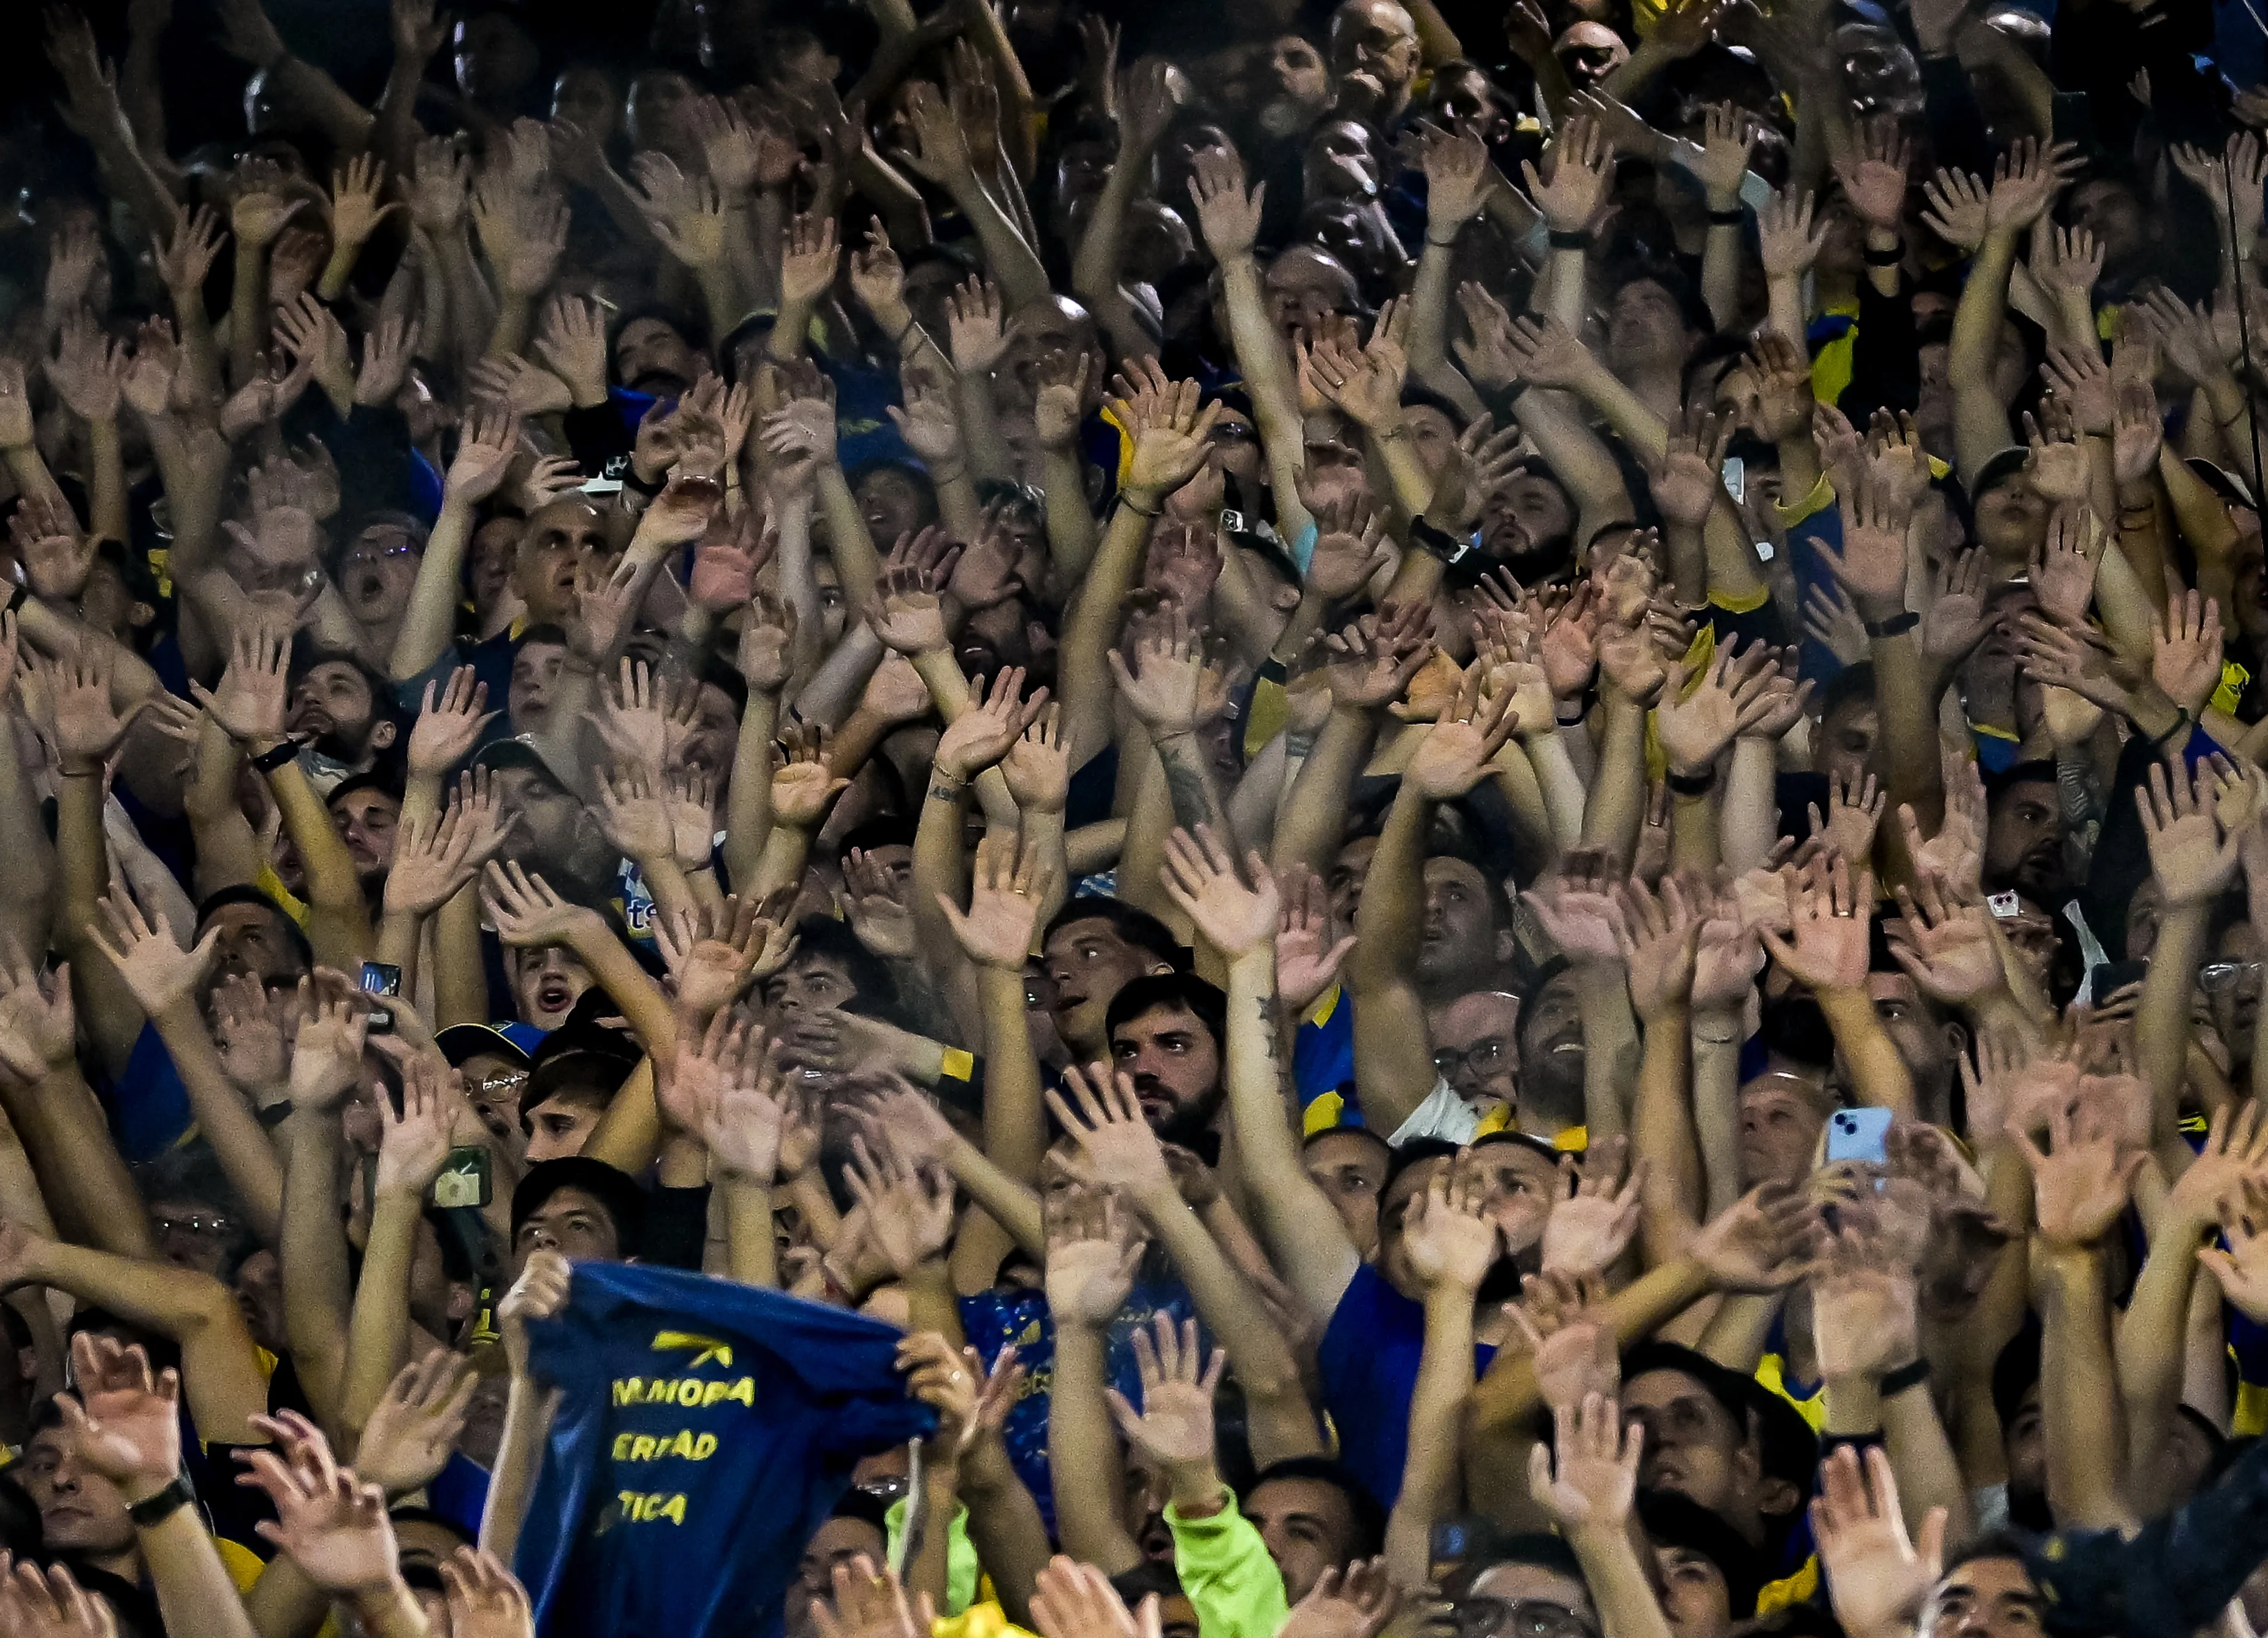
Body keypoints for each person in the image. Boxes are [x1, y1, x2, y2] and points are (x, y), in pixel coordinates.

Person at [10, 1, 2268, 1634]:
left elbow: (1617, 1194)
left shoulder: (1716, 1336)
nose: (1482, 1169)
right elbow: (1315, 1124)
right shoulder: (1415, 1233)